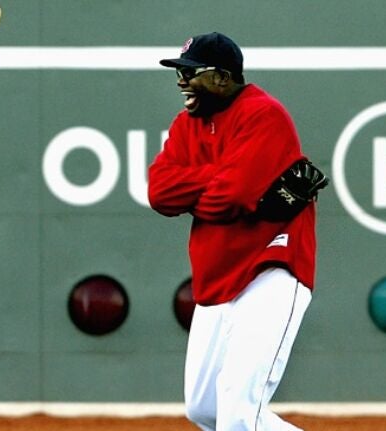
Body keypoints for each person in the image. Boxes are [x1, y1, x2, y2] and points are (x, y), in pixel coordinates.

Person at [148, 32, 317, 431]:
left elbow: (229, 197)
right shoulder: (186, 124)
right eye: (179, 72)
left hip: (270, 269)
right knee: (204, 410)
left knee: (239, 414)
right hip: (218, 275)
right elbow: (159, 192)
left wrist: (200, 188)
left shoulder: (264, 115)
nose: (181, 81)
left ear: (223, 77)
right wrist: (218, 176)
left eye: (191, 73)